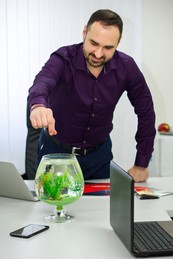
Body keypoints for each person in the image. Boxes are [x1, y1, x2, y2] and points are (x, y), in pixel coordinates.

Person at [28, 9, 156, 182]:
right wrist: (38, 106)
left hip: (99, 157)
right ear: (84, 33)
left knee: (100, 209)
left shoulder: (127, 67)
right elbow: (43, 82)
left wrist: (142, 163)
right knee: (52, 207)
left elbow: (146, 112)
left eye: (108, 47)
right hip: (56, 153)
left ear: (118, 43)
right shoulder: (63, 58)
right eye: (93, 43)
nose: (98, 53)